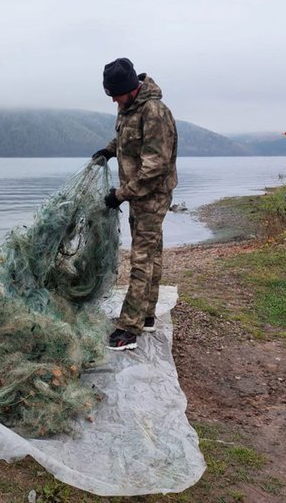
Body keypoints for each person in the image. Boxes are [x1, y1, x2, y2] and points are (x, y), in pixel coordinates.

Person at [92, 58, 178, 351]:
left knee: (141, 258)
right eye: (110, 95)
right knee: (151, 253)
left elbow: (155, 166)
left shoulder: (155, 113)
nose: (113, 100)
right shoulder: (127, 107)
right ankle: (147, 315)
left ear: (130, 88)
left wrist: (121, 194)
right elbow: (124, 139)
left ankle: (129, 329)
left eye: (115, 94)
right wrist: (108, 150)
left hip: (151, 196)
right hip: (136, 195)